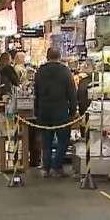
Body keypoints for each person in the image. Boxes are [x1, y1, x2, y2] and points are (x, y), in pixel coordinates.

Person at [34, 47, 78, 178]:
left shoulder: (40, 71)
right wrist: (73, 110)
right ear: (59, 56)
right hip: (61, 111)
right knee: (63, 140)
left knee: (46, 141)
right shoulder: (65, 71)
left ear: (47, 57)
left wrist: (37, 110)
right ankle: (56, 166)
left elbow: (36, 93)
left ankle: (46, 168)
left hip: (44, 111)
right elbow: (72, 93)